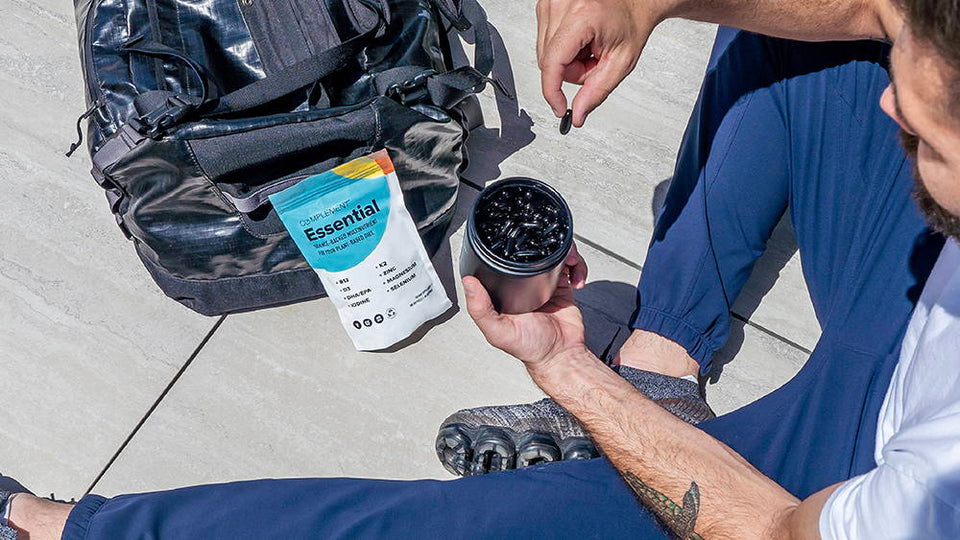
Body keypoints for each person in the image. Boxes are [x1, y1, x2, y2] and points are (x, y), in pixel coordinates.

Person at [3, 0, 959, 536]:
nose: (891, 113)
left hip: (845, 455)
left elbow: (771, 532)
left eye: (924, 133)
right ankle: (661, 365)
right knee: (810, 32)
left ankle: (58, 531)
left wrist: (567, 371)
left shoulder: (933, 487)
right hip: (909, 302)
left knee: (457, 529)